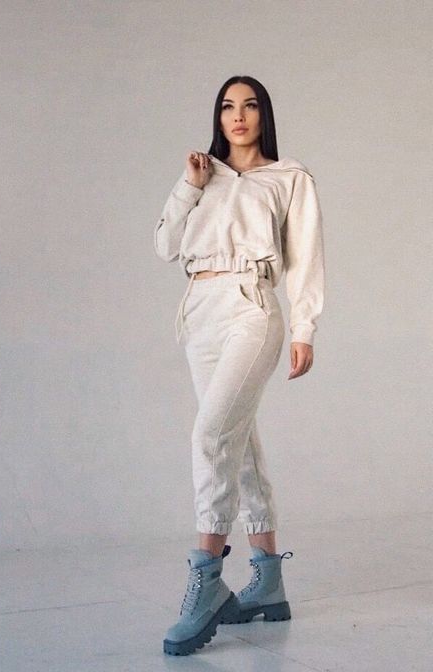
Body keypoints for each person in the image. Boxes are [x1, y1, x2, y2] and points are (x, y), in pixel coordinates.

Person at [154, 75, 325, 656]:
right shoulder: (204, 176)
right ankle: (268, 579)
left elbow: (305, 258)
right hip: (200, 311)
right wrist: (190, 184)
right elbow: (165, 246)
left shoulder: (289, 177)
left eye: (250, 105)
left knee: (211, 435)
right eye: (228, 106)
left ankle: (206, 578)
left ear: (263, 115)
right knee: (239, 442)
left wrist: (303, 328)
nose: (239, 115)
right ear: (218, 117)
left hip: (253, 307)